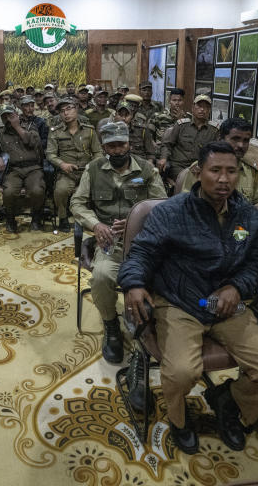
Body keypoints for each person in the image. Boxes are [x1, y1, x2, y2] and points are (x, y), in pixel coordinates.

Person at [119, 141, 258, 454]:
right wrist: (133, 283)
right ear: (199, 172)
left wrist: (237, 287)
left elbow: (254, 264)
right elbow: (141, 252)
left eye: (231, 171)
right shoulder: (171, 212)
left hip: (226, 304)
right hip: (180, 301)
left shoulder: (248, 218)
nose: (224, 179)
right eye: (215, 171)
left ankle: (229, 400)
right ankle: (180, 420)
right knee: (182, 373)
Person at [70, 122, 166, 363]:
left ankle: (155, 322)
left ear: (129, 144)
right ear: (103, 147)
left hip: (144, 241)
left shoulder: (146, 170)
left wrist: (137, 221)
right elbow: (77, 203)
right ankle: (111, 324)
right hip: (109, 241)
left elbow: (163, 207)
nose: (117, 150)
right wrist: (95, 225)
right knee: (101, 276)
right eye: (111, 146)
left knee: (169, 274)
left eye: (121, 145)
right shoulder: (93, 169)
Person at [179, 117, 258, 204]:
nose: (241, 145)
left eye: (246, 140)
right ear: (220, 138)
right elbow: (187, 204)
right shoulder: (201, 167)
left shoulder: (252, 173)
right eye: (235, 139)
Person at [46, 97, 101, 232]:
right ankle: (63, 218)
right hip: (67, 172)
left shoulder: (90, 130)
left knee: (101, 188)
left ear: (76, 109)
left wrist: (92, 166)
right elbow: (50, 154)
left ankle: (96, 218)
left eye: (69, 109)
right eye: (62, 111)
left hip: (87, 171)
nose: (66, 113)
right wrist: (62, 164)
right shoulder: (55, 131)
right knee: (60, 190)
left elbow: (98, 152)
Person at [0, 105, 45, 232]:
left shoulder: (31, 127)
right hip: (13, 170)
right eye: (4, 117)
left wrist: (17, 126)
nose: (8, 119)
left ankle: (36, 217)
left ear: (17, 115)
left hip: (33, 168)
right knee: (8, 192)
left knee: (37, 190)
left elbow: (32, 142)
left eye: (10, 116)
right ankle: (10, 219)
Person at [158, 94, 219, 181]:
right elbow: (167, 144)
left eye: (206, 107)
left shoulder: (214, 130)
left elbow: (216, 153)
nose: (202, 109)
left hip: (201, 167)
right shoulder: (181, 125)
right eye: (199, 106)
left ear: (209, 110)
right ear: (193, 108)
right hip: (178, 166)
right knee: (187, 179)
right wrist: (163, 158)